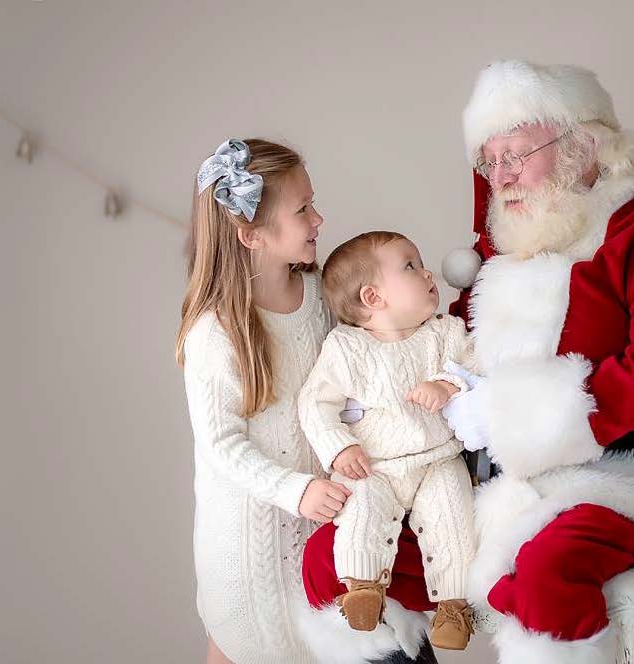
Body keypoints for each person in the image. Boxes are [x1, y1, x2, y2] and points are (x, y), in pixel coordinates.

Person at [438, 60, 634, 663]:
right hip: (498, 485)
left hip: (622, 478)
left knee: (545, 571)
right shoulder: (497, 255)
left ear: (581, 146)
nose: (503, 176)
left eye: (516, 153)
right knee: (360, 553)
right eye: (490, 160)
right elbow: (453, 358)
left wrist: (516, 415)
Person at [176, 138, 346, 663]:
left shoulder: (321, 297)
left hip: (319, 536)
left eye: (312, 203)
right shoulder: (217, 333)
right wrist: (295, 490)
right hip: (249, 555)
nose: (318, 218)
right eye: (302, 210)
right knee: (252, 647)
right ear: (251, 235)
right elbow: (222, 445)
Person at [298, 232, 476, 656]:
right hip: (375, 463)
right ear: (373, 296)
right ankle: (361, 588)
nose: (427, 270)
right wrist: (339, 447)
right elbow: (315, 403)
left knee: (453, 513)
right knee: (361, 510)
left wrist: (447, 384)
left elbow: (476, 364)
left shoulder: (445, 334)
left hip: (437, 458)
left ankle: (453, 605)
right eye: (410, 266)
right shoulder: (346, 348)